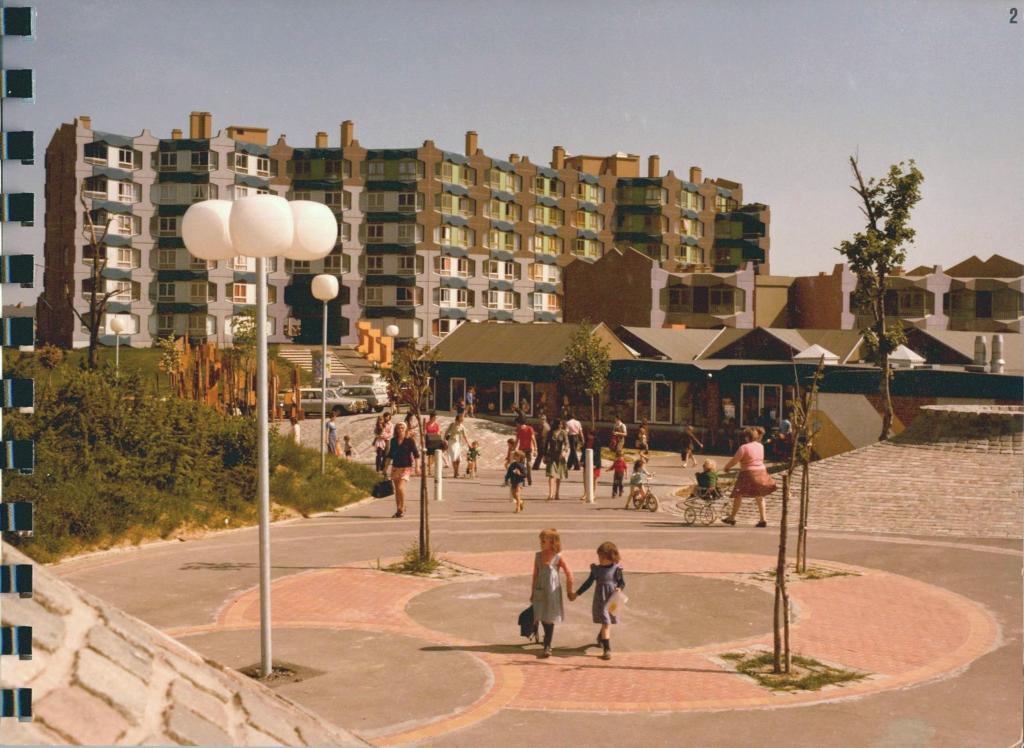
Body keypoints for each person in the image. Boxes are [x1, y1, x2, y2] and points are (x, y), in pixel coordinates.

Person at [570, 541, 625, 661]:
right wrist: (576, 594)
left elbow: (622, 582)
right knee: (606, 623)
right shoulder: (596, 569)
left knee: (608, 621)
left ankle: (601, 637)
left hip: (612, 599)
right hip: (601, 600)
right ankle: (607, 650)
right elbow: (588, 583)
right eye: (599, 556)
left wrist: (619, 588)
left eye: (602, 557)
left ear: (611, 557)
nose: (599, 559)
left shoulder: (617, 569)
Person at [531, 528, 575, 658]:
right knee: (541, 613)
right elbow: (535, 574)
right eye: (541, 541)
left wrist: (569, 590)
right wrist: (532, 592)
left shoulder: (557, 557)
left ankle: (547, 645)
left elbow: (569, 573)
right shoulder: (538, 556)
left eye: (544, 541)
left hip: (552, 591)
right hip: (540, 589)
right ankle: (545, 636)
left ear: (553, 542)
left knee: (549, 617)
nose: (541, 543)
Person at [721, 427, 777, 527]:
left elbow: (735, 460)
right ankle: (763, 519)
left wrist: (727, 467)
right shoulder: (760, 446)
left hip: (748, 473)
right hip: (761, 471)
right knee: (759, 496)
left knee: (738, 494)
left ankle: (732, 517)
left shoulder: (744, 447)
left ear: (747, 437)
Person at [389, 422, 419, 518]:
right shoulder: (393, 440)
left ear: (405, 429)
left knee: (401, 487)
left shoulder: (409, 440)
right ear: (396, 429)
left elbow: (416, 454)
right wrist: (384, 468)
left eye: (402, 428)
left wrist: (417, 467)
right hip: (395, 467)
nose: (400, 429)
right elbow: (390, 455)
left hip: (406, 467)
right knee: (397, 490)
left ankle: (403, 506)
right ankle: (399, 509)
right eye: (398, 428)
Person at [543, 418, 569, 501]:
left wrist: (565, 451)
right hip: (551, 455)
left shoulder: (563, 433)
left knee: (559, 475)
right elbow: (546, 444)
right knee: (551, 474)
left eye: (561, 424)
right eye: (559, 424)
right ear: (556, 424)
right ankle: (551, 494)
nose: (560, 426)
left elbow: (567, 444)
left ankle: (557, 493)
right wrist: (544, 455)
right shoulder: (550, 433)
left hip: (560, 456)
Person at [579, 427, 602, 502]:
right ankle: (585, 493)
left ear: (593, 435)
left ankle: (593, 493)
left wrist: (595, 463)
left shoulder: (597, 441)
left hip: (595, 463)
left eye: (589, 434)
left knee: (594, 478)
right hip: (587, 461)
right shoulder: (587, 441)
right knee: (585, 478)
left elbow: (598, 454)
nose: (588, 435)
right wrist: (582, 460)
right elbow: (584, 451)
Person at [445, 413, 470, 478]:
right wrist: (445, 440)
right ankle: (455, 472)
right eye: (462, 417)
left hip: (458, 443)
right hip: (451, 442)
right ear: (459, 418)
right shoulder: (452, 425)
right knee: (454, 457)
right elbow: (446, 432)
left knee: (458, 459)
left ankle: (456, 471)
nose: (463, 418)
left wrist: (468, 444)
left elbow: (465, 436)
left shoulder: (462, 426)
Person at [515, 415, 537, 487]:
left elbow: (516, 441)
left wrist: (514, 449)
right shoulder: (530, 428)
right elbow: (533, 439)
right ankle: (529, 478)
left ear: (519, 422)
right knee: (529, 464)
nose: (516, 424)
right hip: (528, 449)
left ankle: (522, 480)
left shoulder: (519, 430)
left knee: (521, 465)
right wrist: (535, 449)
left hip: (521, 450)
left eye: (517, 423)